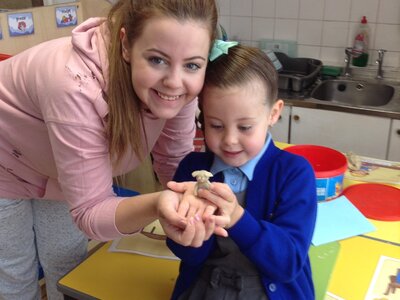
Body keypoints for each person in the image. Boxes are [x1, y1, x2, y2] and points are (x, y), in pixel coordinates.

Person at [0, 0, 219, 299]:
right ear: (126, 44)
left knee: (67, 263)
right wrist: (157, 204)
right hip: (4, 157)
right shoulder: (75, 86)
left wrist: (190, 201)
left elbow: (174, 163)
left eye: (192, 64)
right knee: (15, 272)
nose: (174, 82)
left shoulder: (182, 87)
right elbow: (90, 211)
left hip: (52, 163)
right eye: (157, 60)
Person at [167, 43, 318, 299]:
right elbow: (186, 254)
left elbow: (288, 263)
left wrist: (237, 218)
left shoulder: (294, 173)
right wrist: (189, 227)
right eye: (215, 125)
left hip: (271, 289)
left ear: (273, 113)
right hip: (206, 285)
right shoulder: (192, 168)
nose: (229, 140)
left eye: (245, 127)